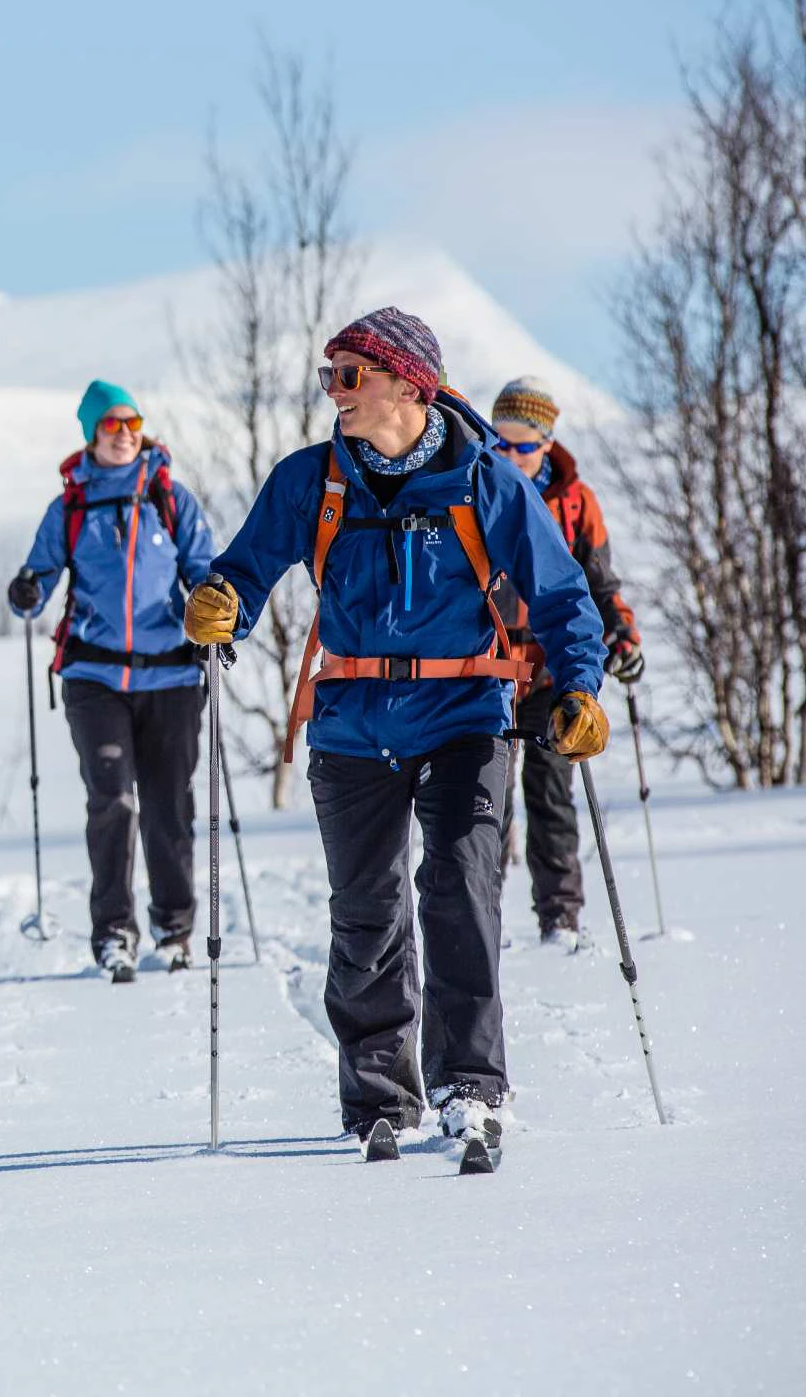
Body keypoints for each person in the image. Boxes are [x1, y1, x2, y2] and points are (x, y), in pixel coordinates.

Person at [184, 308, 610, 1158]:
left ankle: (472, 1086)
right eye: (327, 377)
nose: (332, 392)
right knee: (368, 911)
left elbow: (563, 597)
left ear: (408, 384)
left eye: (349, 375)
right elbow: (242, 570)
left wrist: (578, 689)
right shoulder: (311, 480)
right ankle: (380, 1097)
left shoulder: (485, 479)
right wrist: (219, 606)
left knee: (458, 887)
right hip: (351, 724)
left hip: (465, 718)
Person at [7, 380, 216, 980]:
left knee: (168, 806)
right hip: (94, 675)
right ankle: (113, 934)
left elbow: (203, 568)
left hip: (172, 674)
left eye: (132, 422)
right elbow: (37, 580)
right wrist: (25, 591)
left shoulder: (170, 497)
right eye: (110, 425)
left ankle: (173, 929)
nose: (124, 434)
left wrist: (210, 607)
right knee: (113, 800)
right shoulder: (70, 507)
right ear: (91, 432)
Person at [487, 376, 644, 949]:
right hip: (493, 667)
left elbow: (598, 581)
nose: (509, 455)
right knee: (487, 797)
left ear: (546, 443)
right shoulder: (482, 490)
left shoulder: (576, 502)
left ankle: (560, 916)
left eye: (522, 445)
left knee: (550, 793)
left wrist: (621, 634)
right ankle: (486, 913)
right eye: (499, 443)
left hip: (551, 671)